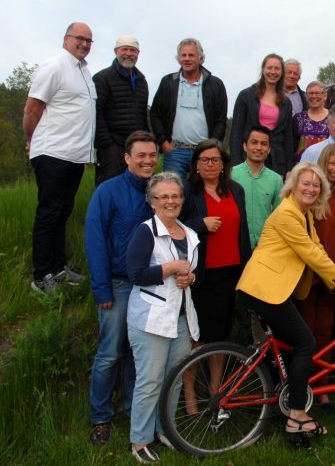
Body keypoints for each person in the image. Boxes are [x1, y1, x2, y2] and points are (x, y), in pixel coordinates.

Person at [236, 163, 335, 438]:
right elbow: (311, 254)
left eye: (315, 185)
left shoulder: (302, 213)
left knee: (288, 347)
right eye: (305, 183)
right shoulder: (287, 213)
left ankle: (282, 399)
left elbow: (317, 247)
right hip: (264, 289)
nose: (310, 188)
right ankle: (296, 414)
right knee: (306, 342)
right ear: (293, 186)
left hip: (270, 288)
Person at [85, 131, 158, 446]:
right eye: (140, 155)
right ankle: (100, 417)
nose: (147, 160)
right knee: (110, 354)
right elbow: (95, 241)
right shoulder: (108, 192)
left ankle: (132, 409)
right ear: (127, 158)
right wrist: (102, 290)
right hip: (118, 284)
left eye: (152, 155)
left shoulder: (158, 192)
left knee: (136, 354)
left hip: (150, 285)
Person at [126, 172, 200, 464]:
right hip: (151, 318)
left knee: (174, 380)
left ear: (182, 199)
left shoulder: (190, 233)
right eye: (163, 197)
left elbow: (195, 272)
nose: (170, 201)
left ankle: (164, 430)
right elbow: (135, 273)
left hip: (182, 318)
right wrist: (169, 268)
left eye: (175, 196)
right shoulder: (145, 232)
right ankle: (140, 440)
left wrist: (191, 276)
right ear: (152, 202)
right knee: (150, 381)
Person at [23, 21, 96, 294]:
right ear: (66, 39)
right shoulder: (54, 67)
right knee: (49, 213)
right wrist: (31, 140)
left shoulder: (84, 72)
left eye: (89, 40)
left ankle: (59, 268)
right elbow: (32, 109)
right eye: (80, 38)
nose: (85, 44)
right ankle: (42, 277)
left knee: (62, 212)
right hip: (52, 152)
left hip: (75, 156)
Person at [180, 140, 251, 414]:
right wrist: (200, 224)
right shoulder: (188, 191)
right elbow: (172, 224)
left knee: (220, 336)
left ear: (224, 164)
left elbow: (242, 230)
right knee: (196, 336)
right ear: (196, 164)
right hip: (201, 274)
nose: (211, 164)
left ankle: (216, 390)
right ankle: (189, 397)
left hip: (231, 272)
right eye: (205, 160)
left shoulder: (236, 190)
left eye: (216, 160)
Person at [295, 144, 335, 411]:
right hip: (310, 274)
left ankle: (322, 388)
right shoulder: (312, 194)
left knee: (325, 331)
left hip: (333, 276)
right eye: (331, 164)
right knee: (305, 332)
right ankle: (300, 388)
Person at [150, 38, 228, 180]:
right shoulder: (168, 82)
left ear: (201, 59)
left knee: (203, 195)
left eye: (191, 55)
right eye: (183, 55)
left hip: (204, 153)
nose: (186, 59)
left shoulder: (215, 85)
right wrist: (164, 143)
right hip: (175, 151)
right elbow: (155, 114)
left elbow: (221, 120)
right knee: (173, 195)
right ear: (178, 59)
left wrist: (212, 147)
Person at [92, 35, 149, 186]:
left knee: (138, 188)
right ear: (116, 51)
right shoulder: (102, 78)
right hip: (112, 147)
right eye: (124, 49)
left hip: (136, 147)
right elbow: (96, 113)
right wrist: (106, 144)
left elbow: (143, 114)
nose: (129, 53)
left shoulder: (142, 81)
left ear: (138, 54)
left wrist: (147, 141)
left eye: (133, 50)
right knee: (110, 187)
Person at [230, 53, 294, 176]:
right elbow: (236, 132)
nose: (273, 72)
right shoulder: (246, 96)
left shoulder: (286, 102)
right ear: (263, 69)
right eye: (270, 68)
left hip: (277, 161)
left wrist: (289, 167)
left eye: (277, 69)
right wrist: (235, 162)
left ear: (282, 72)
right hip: (249, 157)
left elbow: (288, 136)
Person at [231, 127, 283, 249]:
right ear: (245, 146)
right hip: (236, 243)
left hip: (264, 245)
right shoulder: (231, 175)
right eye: (254, 142)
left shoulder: (276, 180)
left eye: (264, 144)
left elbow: (279, 214)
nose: (259, 148)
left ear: (269, 149)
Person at [293, 81, 330, 162]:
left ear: (325, 96)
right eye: (310, 93)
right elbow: (291, 145)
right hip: (302, 166)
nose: (314, 96)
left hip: (325, 165)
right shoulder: (299, 118)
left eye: (317, 93)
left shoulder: (333, 117)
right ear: (306, 96)